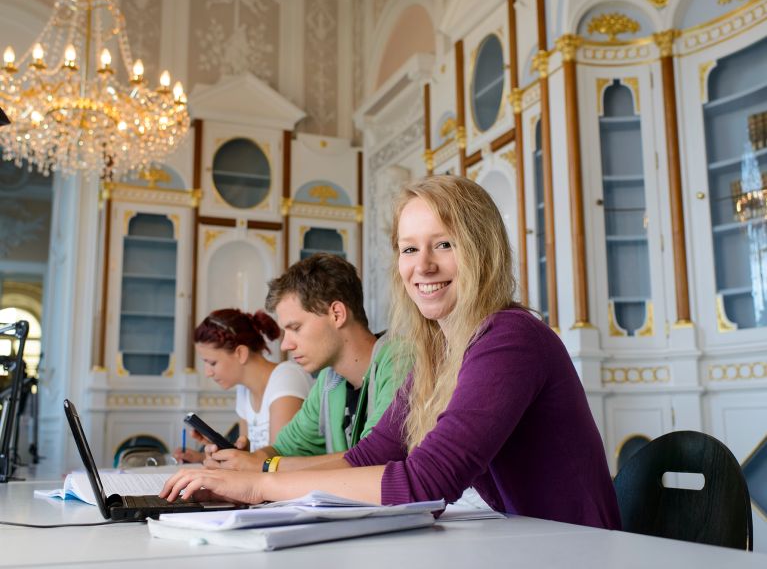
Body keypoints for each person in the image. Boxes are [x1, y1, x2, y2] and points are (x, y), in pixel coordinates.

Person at [161, 176, 621, 530]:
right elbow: (370, 455)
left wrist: (261, 485)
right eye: (409, 248)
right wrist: (256, 477)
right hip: (525, 542)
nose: (423, 265)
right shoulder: (438, 350)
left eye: (444, 244)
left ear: (482, 250)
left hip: (577, 549)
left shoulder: (508, 336)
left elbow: (425, 482)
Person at [197, 253, 403, 473]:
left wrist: (264, 465)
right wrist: (241, 459)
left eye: (295, 328)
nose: (285, 345)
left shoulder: (400, 361)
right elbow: (282, 448)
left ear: (337, 314)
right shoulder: (329, 380)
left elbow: (374, 458)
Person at [173, 309, 313, 463]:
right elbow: (249, 455)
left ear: (240, 353)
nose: (208, 373)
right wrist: (212, 454)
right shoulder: (244, 390)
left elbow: (278, 462)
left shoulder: (287, 377)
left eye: (212, 363)